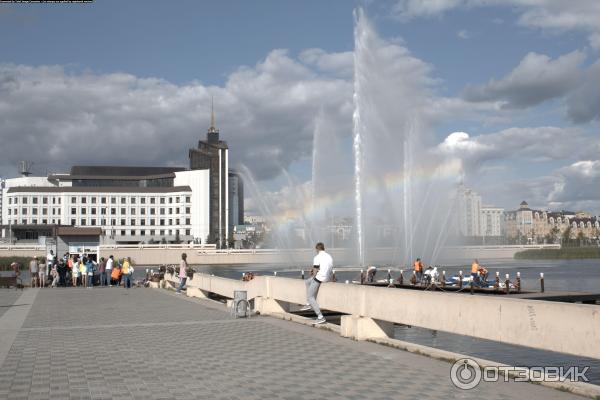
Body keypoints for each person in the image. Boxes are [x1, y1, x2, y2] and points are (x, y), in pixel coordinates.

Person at [301, 242, 333, 324]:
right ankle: (308, 303)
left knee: (310, 296)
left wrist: (314, 275)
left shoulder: (317, 257)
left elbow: (315, 269)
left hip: (320, 278)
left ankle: (320, 316)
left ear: (317, 249)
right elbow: (328, 268)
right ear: (323, 248)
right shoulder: (329, 256)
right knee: (307, 282)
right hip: (327, 278)